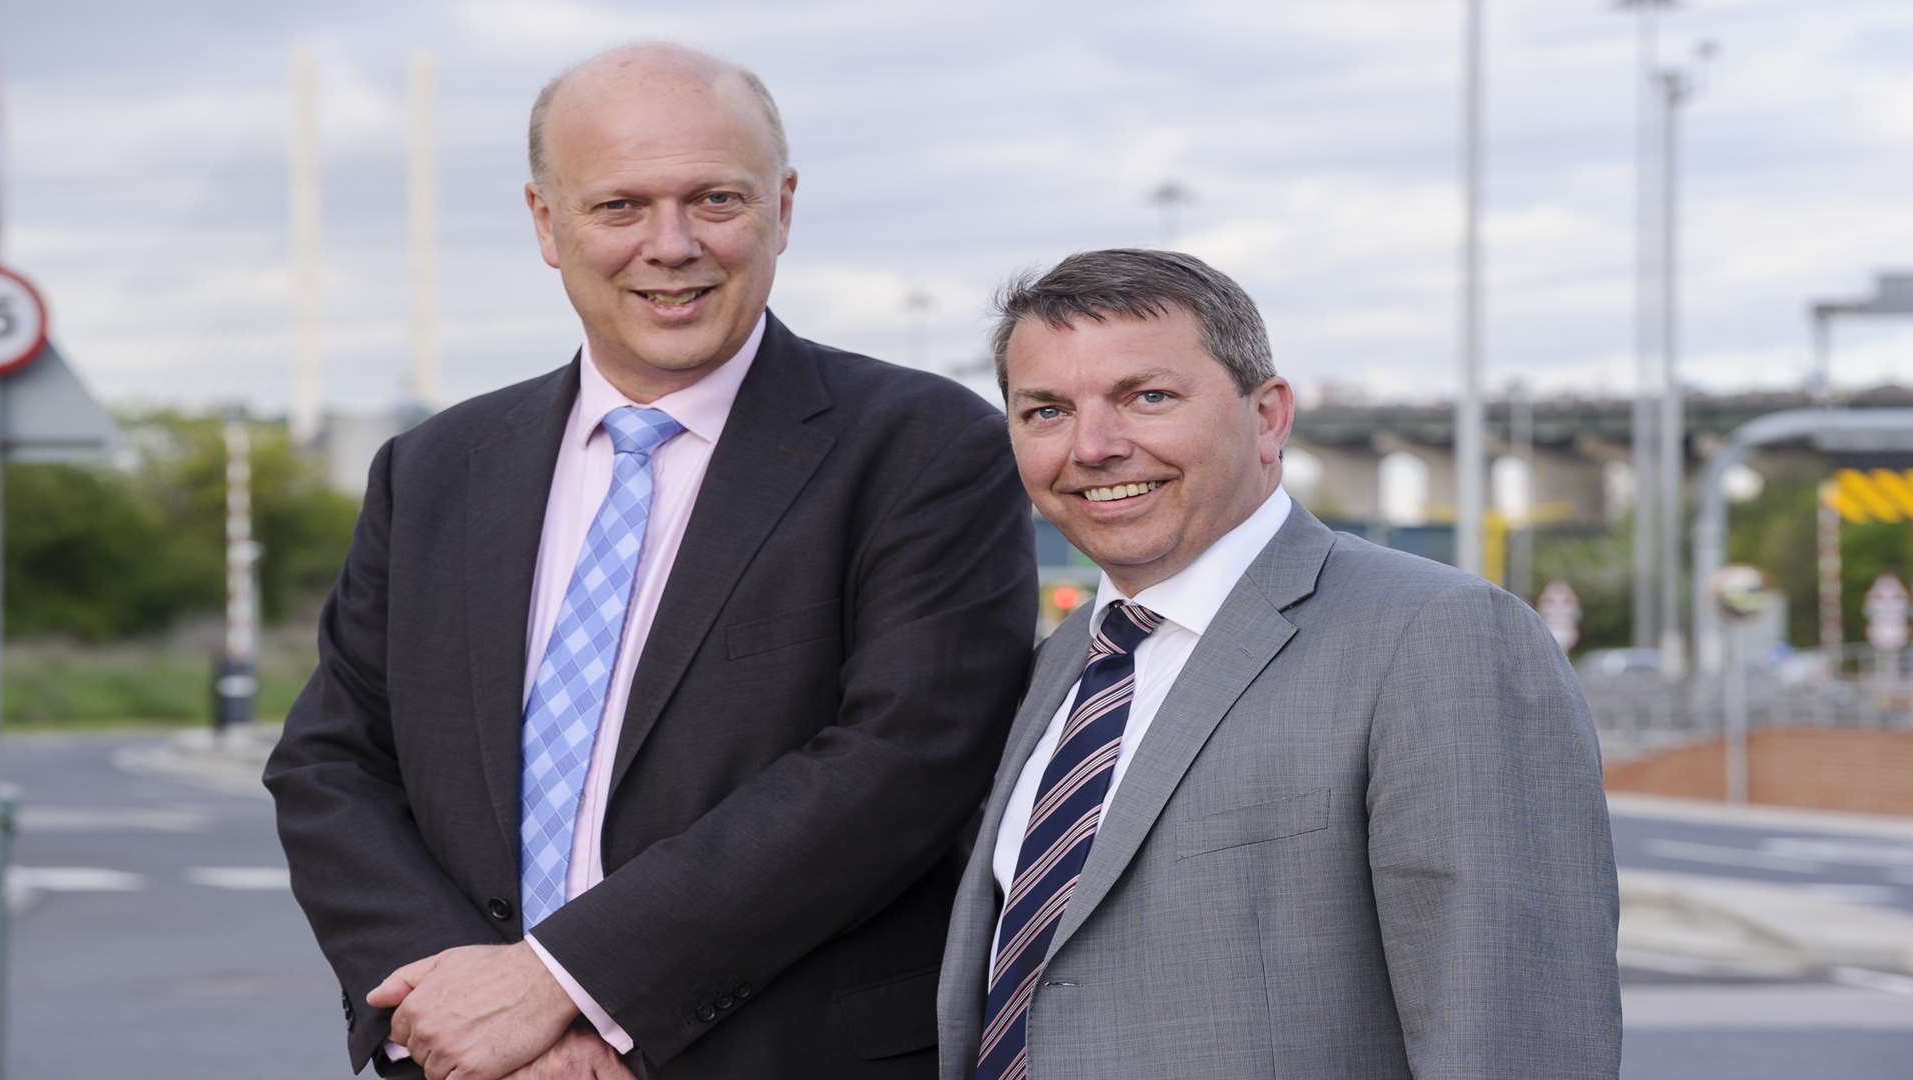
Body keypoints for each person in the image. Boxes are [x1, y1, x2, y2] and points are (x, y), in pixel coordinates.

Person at [266, 43, 1036, 1080]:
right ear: (547, 222)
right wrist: (457, 1008)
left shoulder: (925, 449)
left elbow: (904, 761)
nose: (669, 246)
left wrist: (563, 981)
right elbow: (332, 761)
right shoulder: (436, 469)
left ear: (784, 208)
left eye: (714, 199)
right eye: (620, 206)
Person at [936, 249, 1620, 1080]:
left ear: (1268, 417)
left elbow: (1512, 1039)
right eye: (1045, 411)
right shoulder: (1060, 669)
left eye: (1147, 398)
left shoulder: (1440, 637)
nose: (1094, 447)